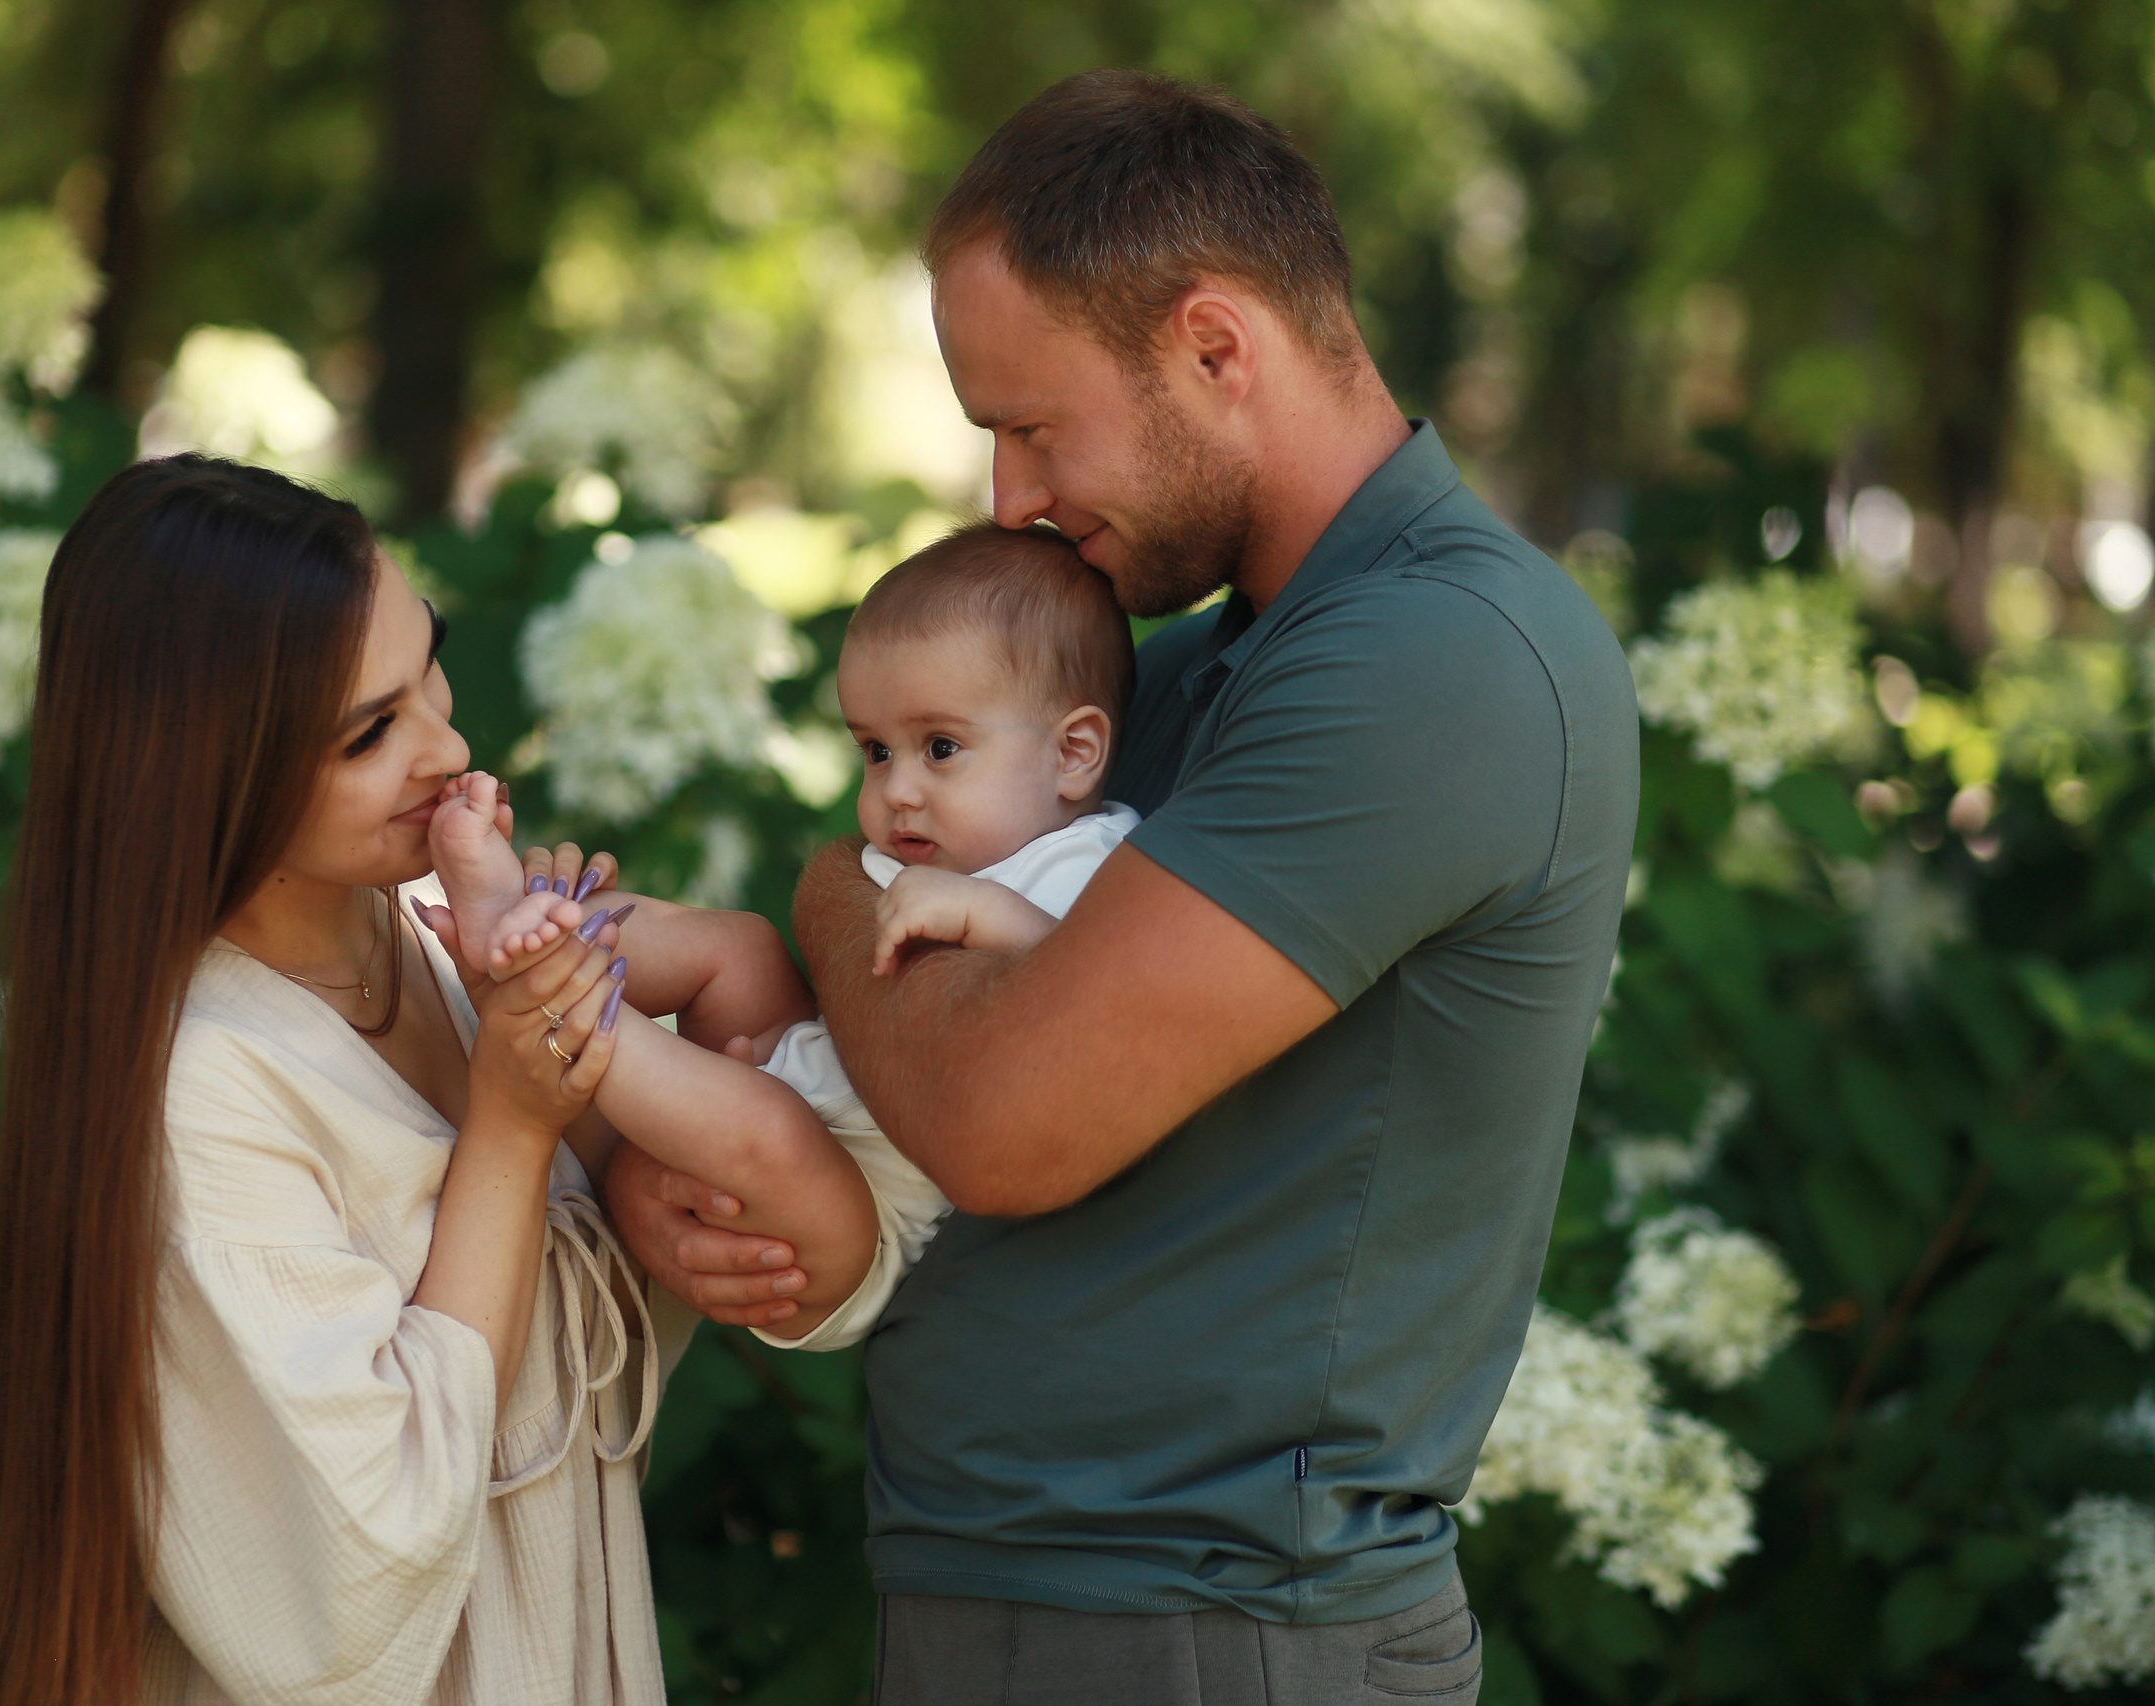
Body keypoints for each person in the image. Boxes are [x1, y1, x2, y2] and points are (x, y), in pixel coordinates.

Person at [612, 69, 1641, 1705]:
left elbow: (1007, 1113)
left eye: (1031, 425)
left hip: (1217, 1627)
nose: (1009, 499)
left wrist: (821, 894)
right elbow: (905, 1018)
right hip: (1033, 1591)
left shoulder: (1437, 661)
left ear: (1216, 349)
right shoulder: (1171, 671)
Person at [0, 456, 786, 1706]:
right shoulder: (197, 1087)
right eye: (370, 731)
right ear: (204, 771)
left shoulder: (439, 936)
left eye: (431, 671)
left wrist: (652, 1138)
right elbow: (356, 1567)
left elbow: (581, 1366)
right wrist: (514, 1129)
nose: (450, 746)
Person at [432, 520, 1140, 1349]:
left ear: (1075, 754)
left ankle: (551, 996)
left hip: (861, 1215)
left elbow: (1096, 1002)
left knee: (767, 1127)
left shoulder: (1094, 864)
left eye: (940, 747)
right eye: (875, 751)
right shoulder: (922, 846)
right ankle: (529, 916)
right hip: (807, 1070)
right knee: (736, 947)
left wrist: (993, 918)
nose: (898, 789)